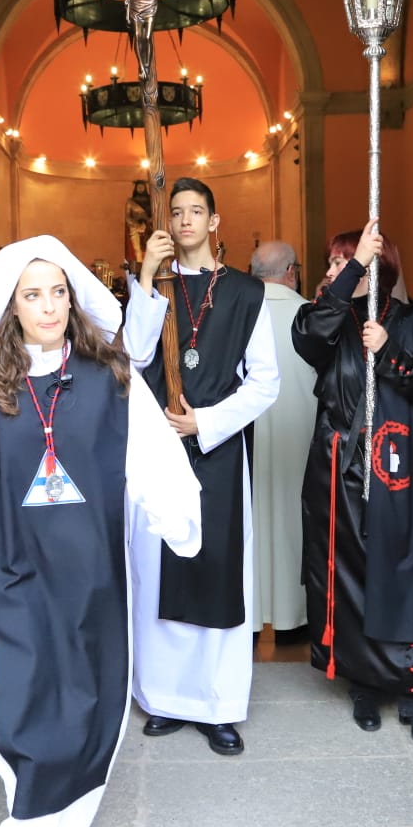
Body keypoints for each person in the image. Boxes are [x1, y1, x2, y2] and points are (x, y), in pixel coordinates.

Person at [0, 236, 200, 827]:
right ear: (11, 307)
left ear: (73, 297)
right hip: (12, 572)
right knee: (23, 723)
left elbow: (153, 459)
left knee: (84, 723)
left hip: (91, 577)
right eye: (31, 294)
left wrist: (181, 519)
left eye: (58, 291)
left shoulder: (110, 379)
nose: (47, 305)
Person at [123, 177, 279, 755]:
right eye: (178, 212)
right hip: (159, 450)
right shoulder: (155, 287)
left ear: (215, 222)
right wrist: (144, 278)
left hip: (214, 449)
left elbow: (266, 382)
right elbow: (135, 356)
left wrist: (206, 423)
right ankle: (164, 697)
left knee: (214, 569)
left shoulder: (244, 292)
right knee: (158, 568)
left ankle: (216, 705)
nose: (187, 220)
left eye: (197, 211)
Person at [293, 221, 413, 746]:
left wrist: (391, 354)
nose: (327, 272)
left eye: (338, 263)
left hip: (406, 471)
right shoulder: (329, 320)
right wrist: (348, 275)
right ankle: (364, 684)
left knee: (407, 573)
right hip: (343, 471)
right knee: (351, 574)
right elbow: (306, 337)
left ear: (373, 268)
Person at [248, 241, 316, 642]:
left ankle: (251, 620)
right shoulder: (308, 314)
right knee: (294, 522)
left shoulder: (237, 312)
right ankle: (293, 621)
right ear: (291, 271)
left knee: (251, 524)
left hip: (246, 434)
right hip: (299, 435)